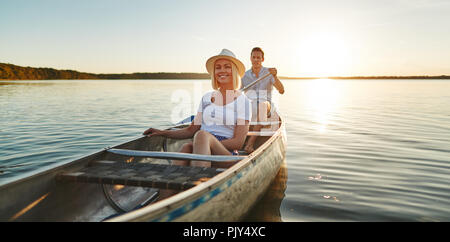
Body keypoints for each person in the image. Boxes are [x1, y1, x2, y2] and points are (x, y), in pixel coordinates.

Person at [143, 49, 252, 168]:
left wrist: (204, 143)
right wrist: (162, 132)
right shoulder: (206, 98)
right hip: (201, 145)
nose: (222, 71)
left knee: (201, 135)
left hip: (225, 155)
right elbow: (190, 130)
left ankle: (199, 178)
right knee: (187, 147)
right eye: (218, 67)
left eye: (227, 67)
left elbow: (238, 142)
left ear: (234, 71)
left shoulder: (243, 102)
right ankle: (170, 185)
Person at [241, 47, 285, 153]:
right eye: (254, 57)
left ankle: (250, 143)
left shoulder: (269, 73)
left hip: (266, 104)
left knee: (262, 105)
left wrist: (275, 76)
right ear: (250, 58)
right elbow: (236, 92)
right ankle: (237, 140)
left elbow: (281, 90)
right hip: (250, 105)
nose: (256, 60)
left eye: (258, 58)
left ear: (262, 59)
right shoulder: (244, 75)